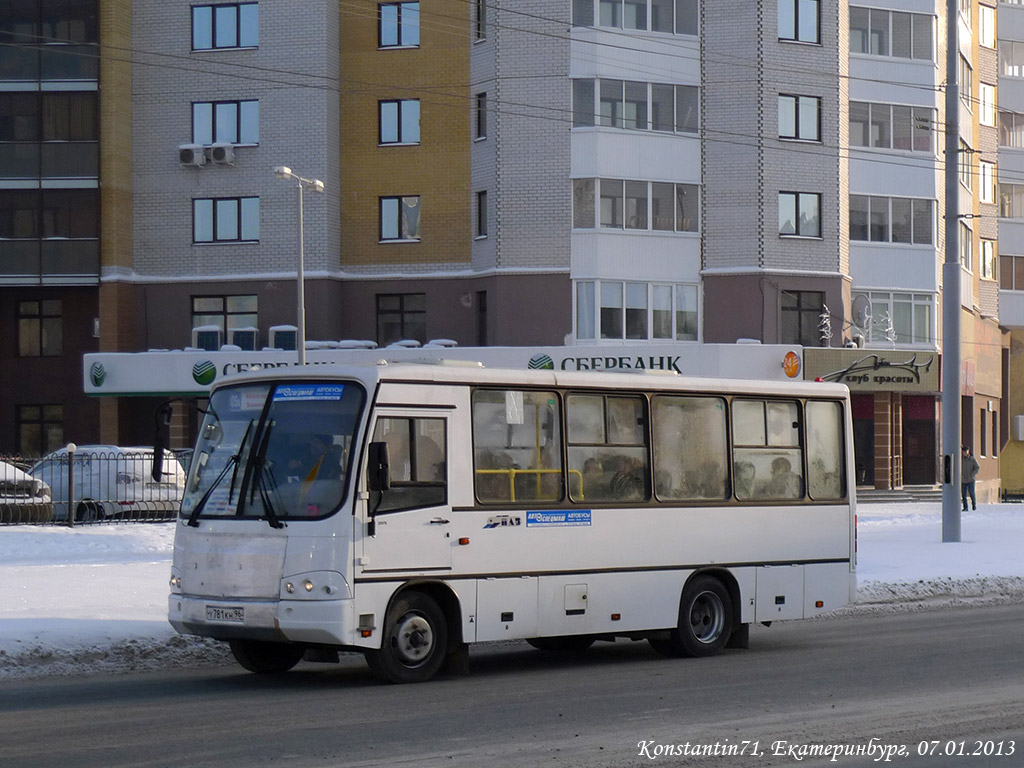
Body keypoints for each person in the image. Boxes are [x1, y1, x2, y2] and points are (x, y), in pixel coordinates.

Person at [961, 444, 980, 512]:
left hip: (971, 479)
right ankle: (965, 507)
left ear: (968, 452)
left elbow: (977, 467)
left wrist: (973, 474)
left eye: (966, 452)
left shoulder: (972, 459)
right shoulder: (961, 460)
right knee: (963, 494)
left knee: (971, 493)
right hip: (963, 480)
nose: (964, 453)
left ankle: (974, 505)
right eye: (963, 452)